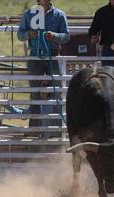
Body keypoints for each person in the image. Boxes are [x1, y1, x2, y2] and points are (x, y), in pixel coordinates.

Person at [17, 0, 69, 128]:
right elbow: (20, 34)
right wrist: (29, 34)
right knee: (35, 91)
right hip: (36, 53)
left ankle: (57, 128)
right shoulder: (28, 14)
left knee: (57, 91)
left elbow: (66, 36)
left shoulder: (60, 15)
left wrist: (54, 36)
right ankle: (35, 128)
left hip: (53, 53)